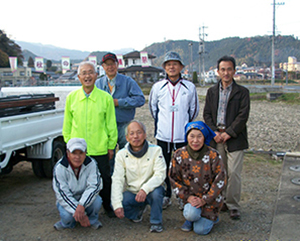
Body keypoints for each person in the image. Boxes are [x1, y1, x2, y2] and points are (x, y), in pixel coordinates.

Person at [62, 61, 118, 218]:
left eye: (90, 72)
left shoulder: (105, 98)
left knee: (104, 179)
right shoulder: (72, 97)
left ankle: (107, 205)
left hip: (99, 147)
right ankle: (76, 207)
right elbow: (66, 125)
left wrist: (111, 146)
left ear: (96, 75)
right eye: (84, 73)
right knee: (77, 180)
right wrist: (69, 144)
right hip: (77, 151)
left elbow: (111, 125)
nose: (87, 76)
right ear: (79, 77)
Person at [149, 51, 199, 209]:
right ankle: (166, 194)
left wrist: (183, 124)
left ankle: (183, 196)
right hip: (163, 136)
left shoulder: (189, 87)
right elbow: (153, 109)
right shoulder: (158, 87)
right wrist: (162, 124)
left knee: (183, 167)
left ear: (181, 67)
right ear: (164, 67)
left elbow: (193, 110)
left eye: (175, 64)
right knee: (163, 166)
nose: (172, 67)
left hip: (182, 136)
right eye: (168, 64)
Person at [203, 55, 250, 220]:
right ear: (218, 72)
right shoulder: (212, 91)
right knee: (220, 172)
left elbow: (243, 116)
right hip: (216, 137)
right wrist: (214, 132)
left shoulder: (242, 92)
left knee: (234, 172)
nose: (226, 72)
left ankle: (233, 205)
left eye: (229, 69)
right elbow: (207, 114)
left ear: (234, 71)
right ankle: (220, 201)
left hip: (235, 137)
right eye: (223, 69)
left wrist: (228, 133)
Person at [169, 121, 226, 235]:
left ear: (204, 137)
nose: (195, 141)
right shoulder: (179, 154)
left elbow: (220, 180)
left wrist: (205, 199)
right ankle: (191, 218)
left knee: (200, 230)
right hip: (191, 200)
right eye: (192, 136)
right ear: (187, 137)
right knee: (191, 214)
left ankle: (212, 217)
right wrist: (187, 197)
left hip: (210, 201)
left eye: (199, 136)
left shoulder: (213, 155)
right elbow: (174, 179)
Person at [111, 120, 166, 233]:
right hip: (133, 192)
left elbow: (160, 174)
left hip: (151, 190)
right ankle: (138, 212)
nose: (135, 136)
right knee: (118, 204)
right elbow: (117, 179)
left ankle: (156, 222)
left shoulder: (156, 150)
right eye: (131, 133)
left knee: (157, 193)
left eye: (139, 132)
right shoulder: (121, 154)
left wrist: (144, 189)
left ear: (145, 135)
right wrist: (116, 204)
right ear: (126, 137)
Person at [95, 52, 145, 174]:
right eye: (107, 65)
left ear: (117, 65)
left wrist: (120, 102)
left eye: (113, 64)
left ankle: (128, 183)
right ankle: (111, 186)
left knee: (127, 156)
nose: (110, 67)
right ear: (103, 67)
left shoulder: (128, 81)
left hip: (124, 125)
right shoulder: (98, 84)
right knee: (108, 157)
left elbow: (140, 99)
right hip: (105, 127)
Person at [53, 138, 103, 230]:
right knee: (67, 216)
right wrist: (80, 211)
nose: (77, 157)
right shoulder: (59, 168)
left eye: (81, 153)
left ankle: (92, 220)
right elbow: (62, 194)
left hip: (85, 197)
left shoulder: (91, 164)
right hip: (69, 198)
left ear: (85, 153)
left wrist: (82, 205)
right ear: (68, 153)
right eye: (74, 153)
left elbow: (94, 186)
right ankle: (67, 223)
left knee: (97, 201)